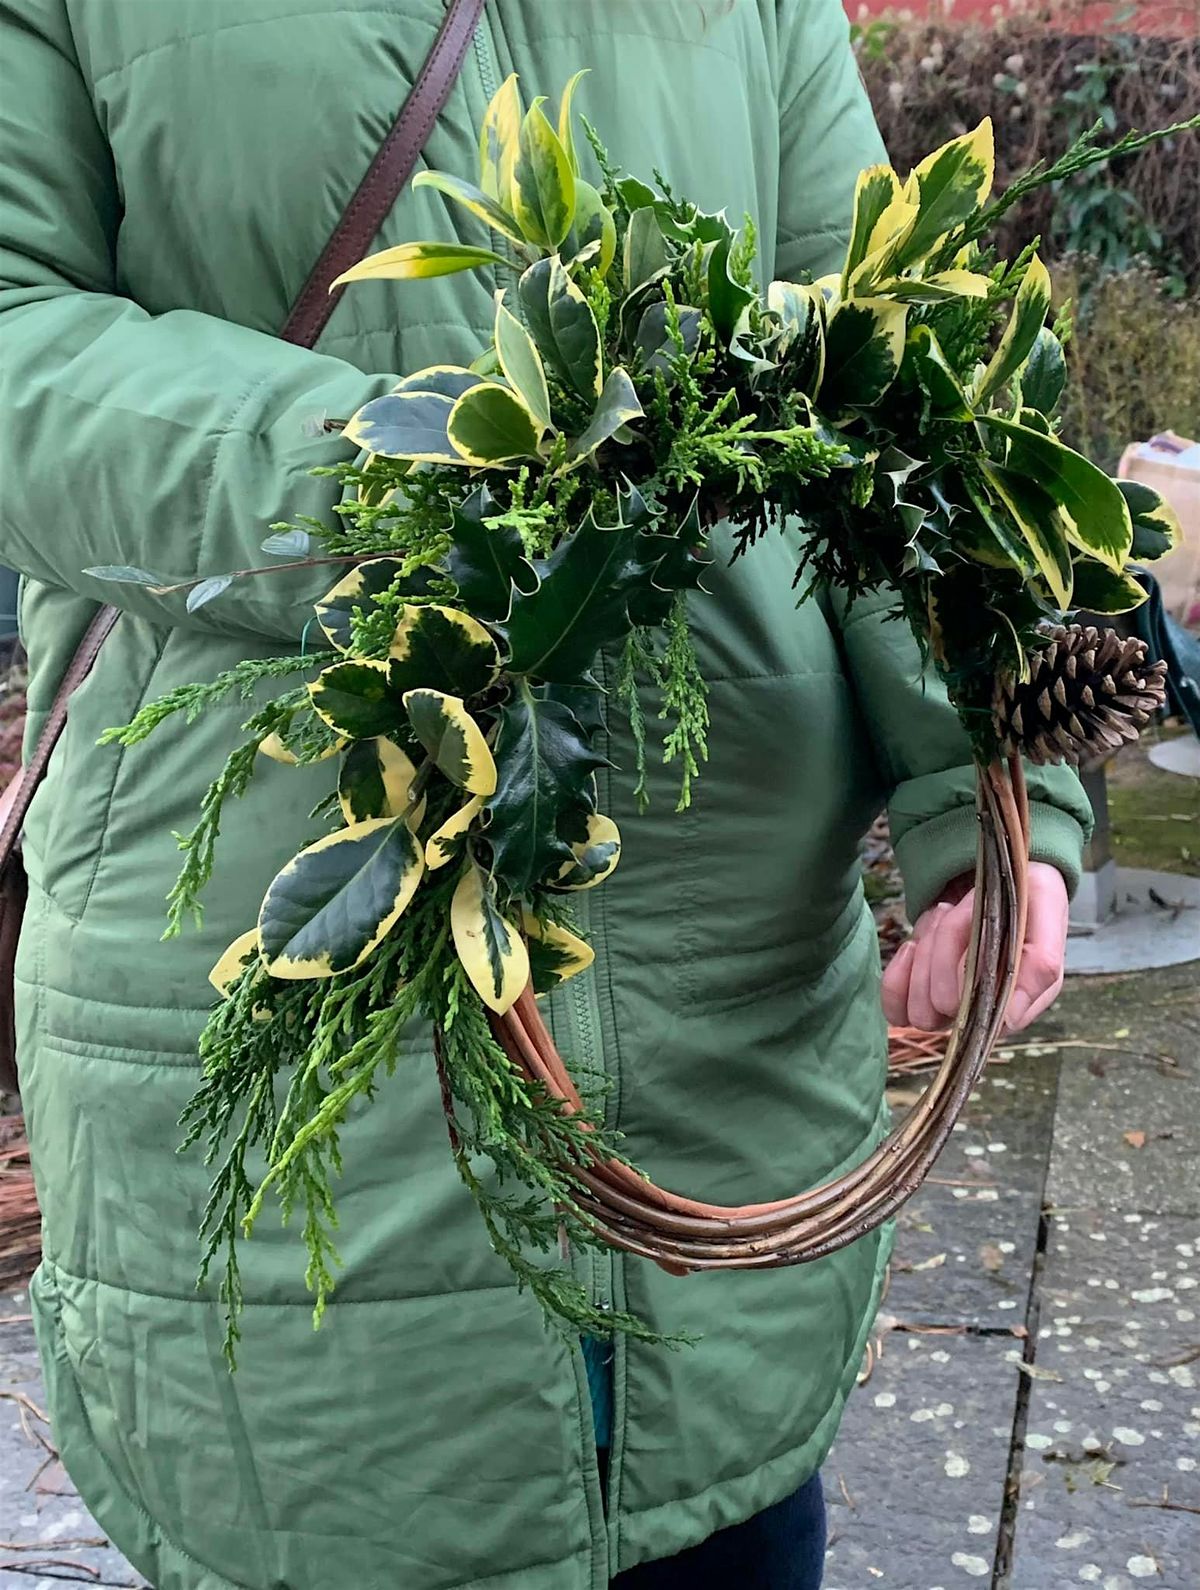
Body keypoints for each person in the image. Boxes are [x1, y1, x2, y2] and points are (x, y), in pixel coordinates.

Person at [0, 2, 1090, 1587]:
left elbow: (880, 354)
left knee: (721, 1512)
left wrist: (988, 788)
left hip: (733, 1036)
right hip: (276, 982)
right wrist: (396, 469)